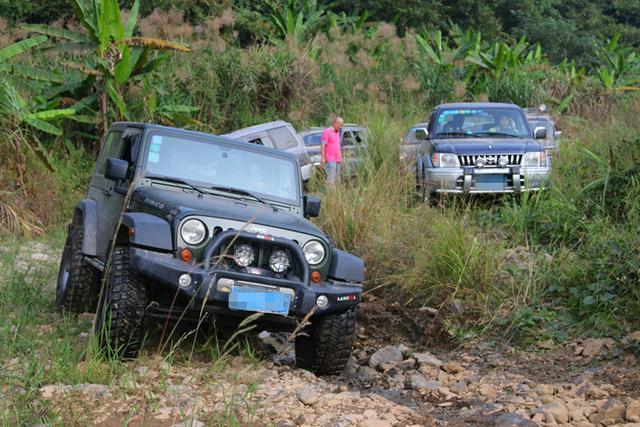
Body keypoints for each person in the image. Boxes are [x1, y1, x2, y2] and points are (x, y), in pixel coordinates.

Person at [321, 116, 344, 185]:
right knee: (331, 180)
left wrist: (341, 157)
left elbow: (337, 146)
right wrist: (323, 158)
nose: (341, 127)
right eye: (340, 125)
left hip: (338, 159)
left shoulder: (337, 132)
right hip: (330, 159)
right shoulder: (327, 131)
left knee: (337, 180)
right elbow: (323, 145)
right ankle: (330, 195)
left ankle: (336, 195)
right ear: (335, 123)